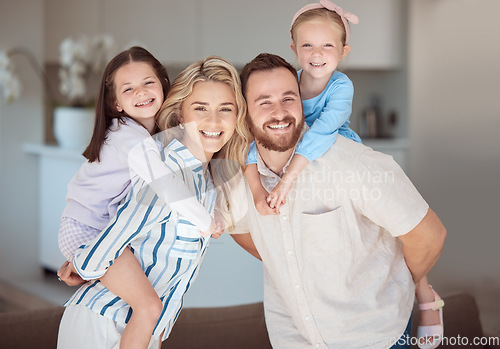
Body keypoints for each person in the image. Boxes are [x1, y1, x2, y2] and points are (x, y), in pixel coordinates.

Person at [228, 53, 447, 349]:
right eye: (264, 101)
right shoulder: (239, 179)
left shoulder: (352, 163)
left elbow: (429, 236)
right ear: (245, 112)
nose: (279, 112)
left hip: (375, 338)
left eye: (288, 98)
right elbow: (238, 229)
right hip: (293, 340)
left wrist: (394, 281)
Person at [57, 54, 245, 349]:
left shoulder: (208, 182)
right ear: (180, 115)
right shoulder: (165, 168)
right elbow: (111, 240)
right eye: (200, 108)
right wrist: (82, 262)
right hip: (102, 323)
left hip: (146, 330)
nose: (214, 120)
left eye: (226, 108)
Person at [245, 0, 361, 217]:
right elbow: (251, 145)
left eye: (327, 45)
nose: (317, 54)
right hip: (294, 151)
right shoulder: (289, 84)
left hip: (329, 148)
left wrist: (287, 179)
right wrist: (257, 191)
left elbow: (323, 132)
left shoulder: (342, 87)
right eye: (307, 45)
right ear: (294, 49)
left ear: (343, 51)